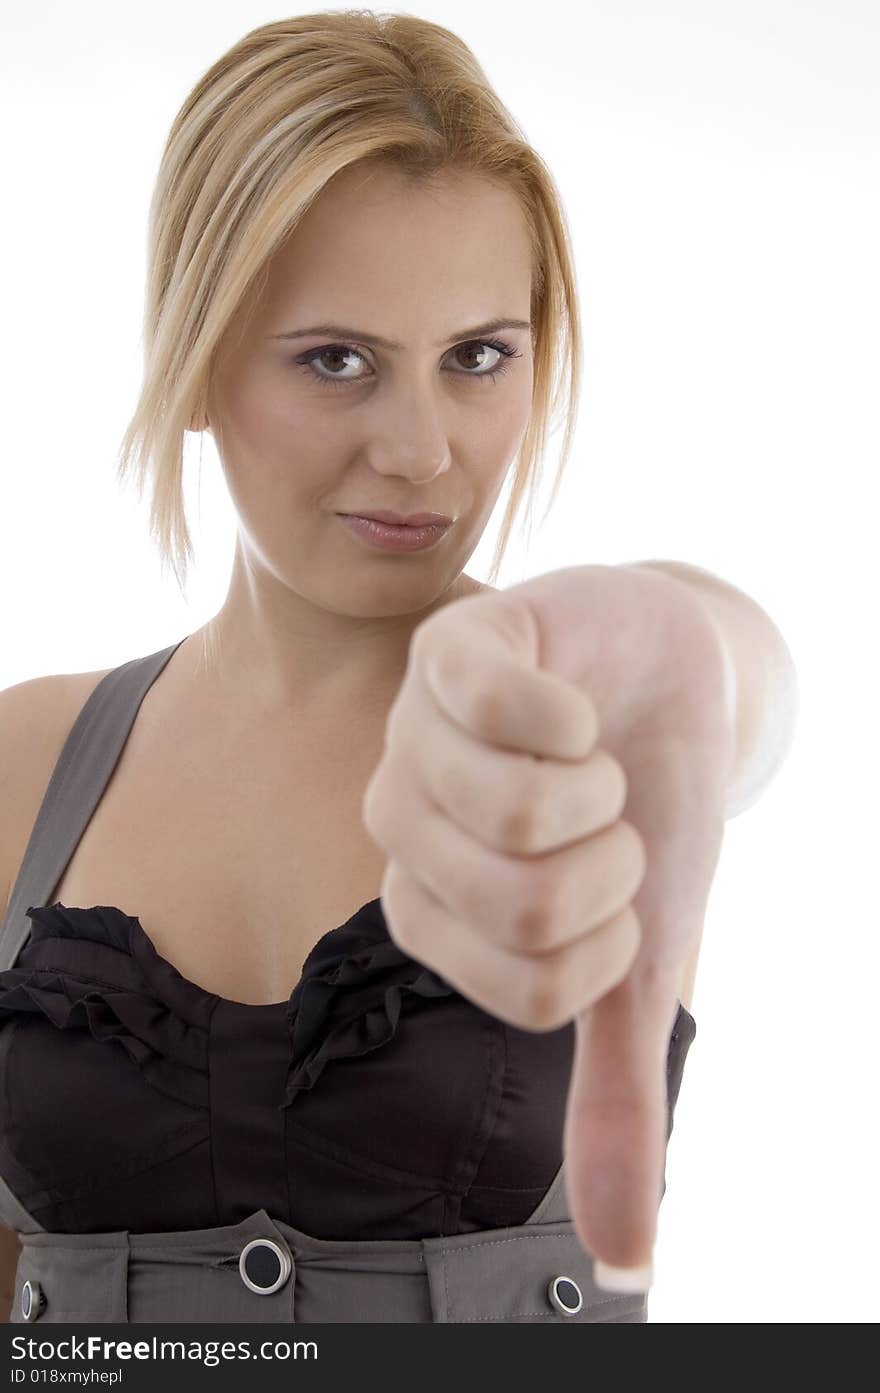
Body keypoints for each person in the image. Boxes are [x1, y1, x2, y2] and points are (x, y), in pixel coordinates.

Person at [0, 11, 796, 1325]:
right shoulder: (29, 765)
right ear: (194, 361)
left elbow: (728, 687)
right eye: (336, 360)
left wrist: (702, 659)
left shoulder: (577, 726)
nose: (422, 448)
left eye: (478, 356)